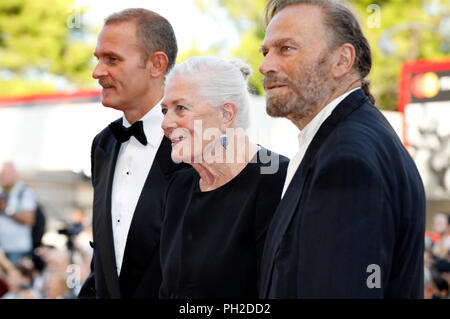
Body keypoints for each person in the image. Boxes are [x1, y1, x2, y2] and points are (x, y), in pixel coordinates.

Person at [258, 0, 425, 298]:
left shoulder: (346, 157)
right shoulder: (350, 139)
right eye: (266, 51)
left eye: (286, 48)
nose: (265, 65)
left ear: (342, 61)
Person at [159, 56, 289, 298]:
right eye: (165, 110)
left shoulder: (277, 180)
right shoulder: (179, 186)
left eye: (181, 108)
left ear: (226, 114)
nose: (166, 123)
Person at [78, 8, 182, 299]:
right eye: (97, 59)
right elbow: (106, 259)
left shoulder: (197, 141)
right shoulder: (103, 145)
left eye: (112, 59)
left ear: (156, 64)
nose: (97, 72)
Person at [0, 162, 37, 265]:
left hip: (18, 249)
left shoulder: (24, 192)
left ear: (14, 174)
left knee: (15, 279)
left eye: (6, 173)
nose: (2, 176)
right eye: (1, 173)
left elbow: (29, 219)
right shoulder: (3, 192)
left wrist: (7, 209)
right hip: (3, 248)